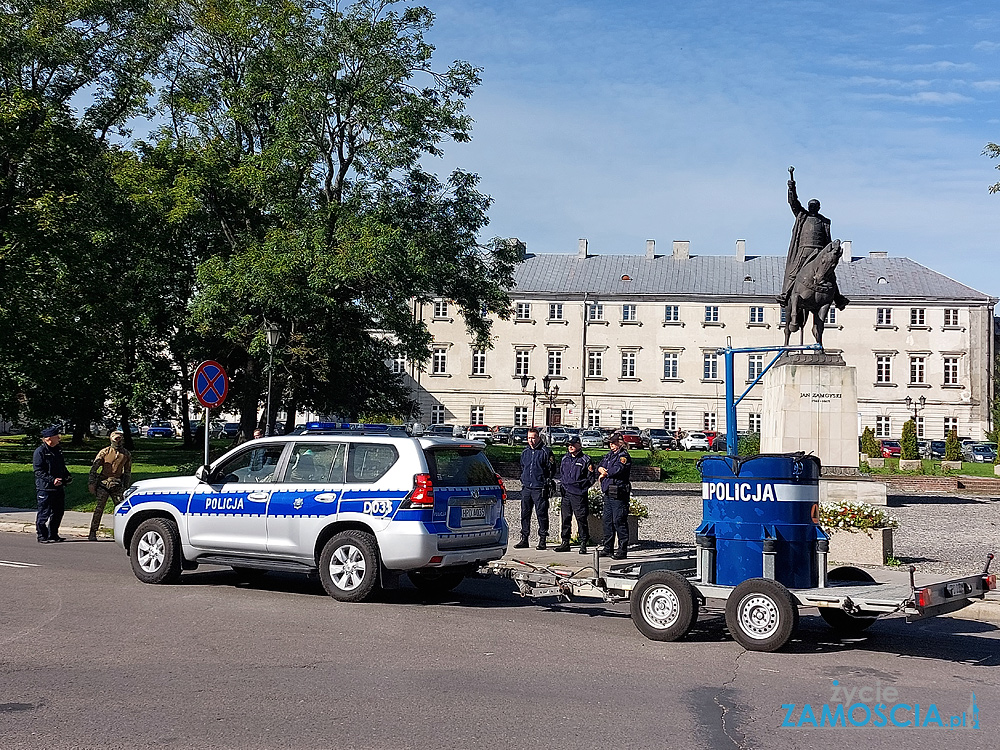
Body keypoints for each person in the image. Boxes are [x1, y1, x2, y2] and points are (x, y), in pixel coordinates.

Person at [777, 167, 849, 310]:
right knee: (794, 272)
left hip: (820, 251)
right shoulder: (802, 215)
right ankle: (786, 294)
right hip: (804, 249)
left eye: (815, 205)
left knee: (830, 272)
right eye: (811, 205)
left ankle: (838, 297)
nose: (812, 207)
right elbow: (793, 202)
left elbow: (828, 238)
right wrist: (791, 187)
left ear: (819, 207)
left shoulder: (825, 221)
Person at [515, 427, 556, 550]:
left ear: (538, 437)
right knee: (525, 514)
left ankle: (542, 539)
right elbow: (523, 466)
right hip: (527, 487)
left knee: (541, 514)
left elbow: (551, 469)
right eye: (528, 438)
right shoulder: (525, 452)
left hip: (539, 488)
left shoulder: (545, 452)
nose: (531, 440)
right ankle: (524, 538)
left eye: (533, 438)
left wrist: (545, 482)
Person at [87, 430, 132, 541]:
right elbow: (94, 469)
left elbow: (127, 472)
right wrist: (91, 483)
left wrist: (125, 486)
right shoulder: (104, 452)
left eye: (120, 438)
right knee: (99, 509)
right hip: (103, 484)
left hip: (117, 484)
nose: (118, 440)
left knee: (122, 509)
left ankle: (124, 533)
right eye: (116, 438)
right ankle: (93, 532)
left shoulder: (126, 454)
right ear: (111, 439)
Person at [554, 435, 595, 554]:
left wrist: (582, 489)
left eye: (572, 444)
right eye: (568, 445)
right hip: (566, 493)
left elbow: (591, 478)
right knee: (565, 518)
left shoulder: (585, 459)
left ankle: (583, 543)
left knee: (581, 519)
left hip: (578, 494)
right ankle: (565, 542)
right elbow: (562, 473)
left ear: (579, 445)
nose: (570, 447)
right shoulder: (565, 458)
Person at [33, 425, 72, 543]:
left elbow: (61, 466)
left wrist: (67, 476)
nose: (59, 438)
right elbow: (38, 471)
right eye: (57, 437)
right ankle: (42, 535)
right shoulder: (40, 452)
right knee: (44, 513)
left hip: (58, 488)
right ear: (49, 439)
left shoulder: (57, 450)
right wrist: (52, 480)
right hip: (45, 488)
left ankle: (53, 534)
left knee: (58, 512)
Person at [597, 432, 632, 560]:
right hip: (608, 491)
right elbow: (601, 465)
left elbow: (617, 470)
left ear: (620, 443)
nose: (611, 445)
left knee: (619, 520)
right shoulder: (609, 456)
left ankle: (622, 550)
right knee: (607, 521)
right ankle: (608, 548)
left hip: (619, 492)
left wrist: (605, 473)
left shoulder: (623, 456)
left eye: (614, 443)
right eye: (610, 443)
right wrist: (601, 470)